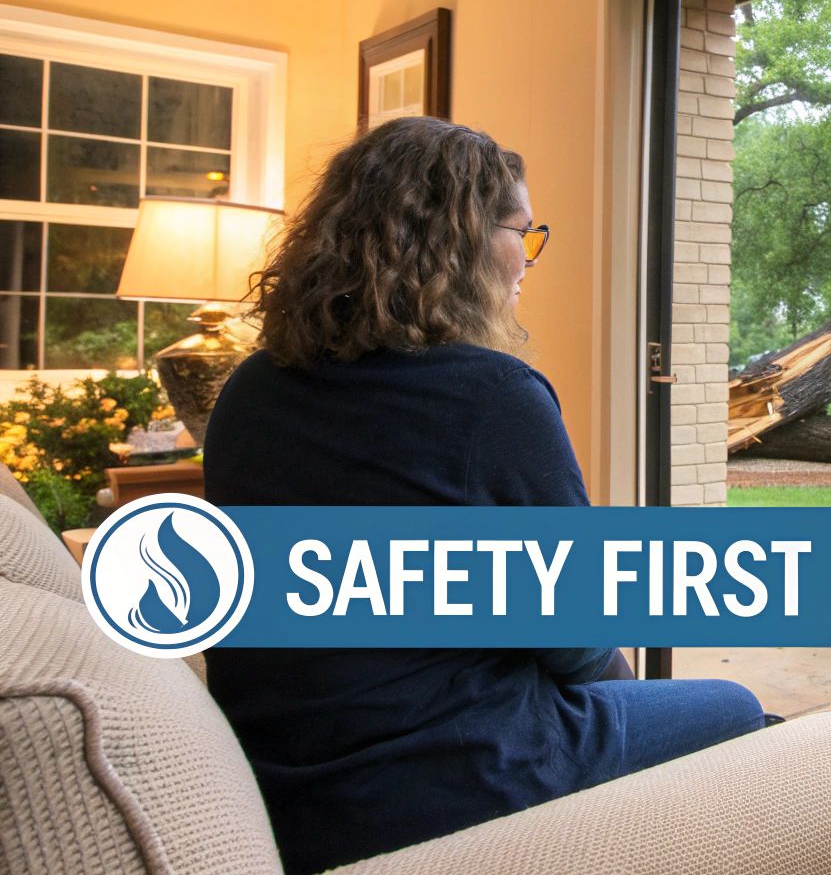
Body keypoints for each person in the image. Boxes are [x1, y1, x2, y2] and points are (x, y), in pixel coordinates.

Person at [204, 116, 765, 874]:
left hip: (291, 781)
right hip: (449, 774)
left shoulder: (248, 390)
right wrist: (608, 700)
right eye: (520, 232)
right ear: (457, 240)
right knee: (737, 709)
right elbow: (579, 639)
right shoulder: (492, 395)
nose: (526, 259)